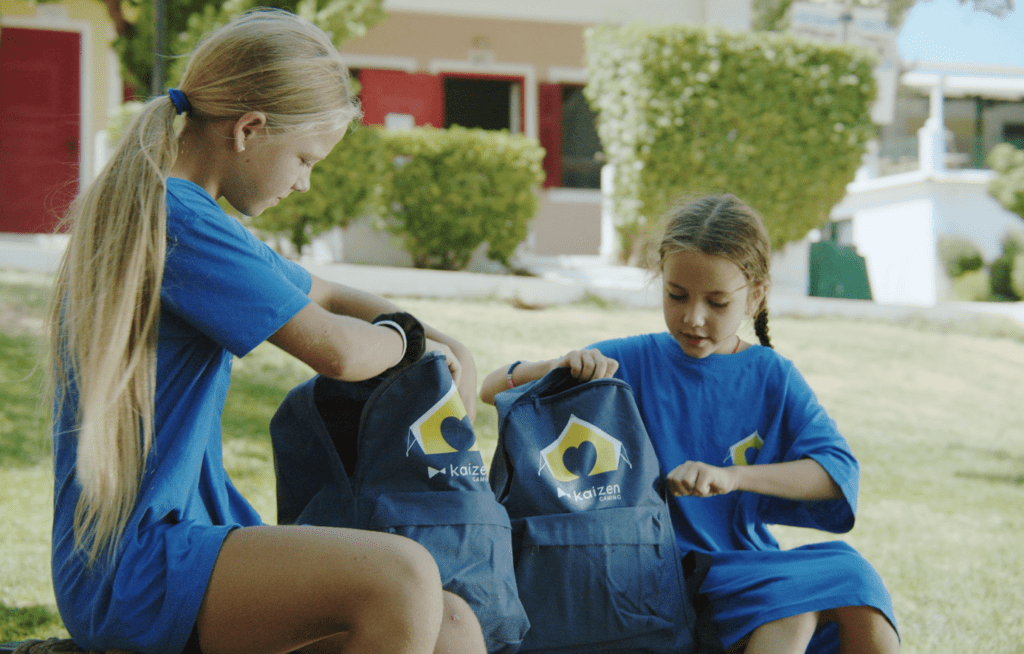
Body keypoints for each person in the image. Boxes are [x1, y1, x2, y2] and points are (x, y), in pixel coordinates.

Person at [46, 11, 485, 654]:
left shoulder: (183, 213)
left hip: (187, 541)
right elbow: (336, 349)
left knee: (451, 625)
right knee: (403, 575)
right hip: (137, 563)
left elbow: (325, 292)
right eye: (306, 159)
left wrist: (446, 341)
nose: (304, 182)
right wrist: (411, 342)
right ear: (249, 130)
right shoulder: (178, 220)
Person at [480, 194, 900, 654]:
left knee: (845, 584)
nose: (693, 318)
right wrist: (555, 366)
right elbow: (493, 388)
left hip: (743, 569)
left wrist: (732, 476)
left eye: (717, 302)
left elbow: (836, 474)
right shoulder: (630, 360)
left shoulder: (771, 375)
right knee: (803, 601)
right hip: (651, 572)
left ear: (755, 295)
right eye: (676, 295)